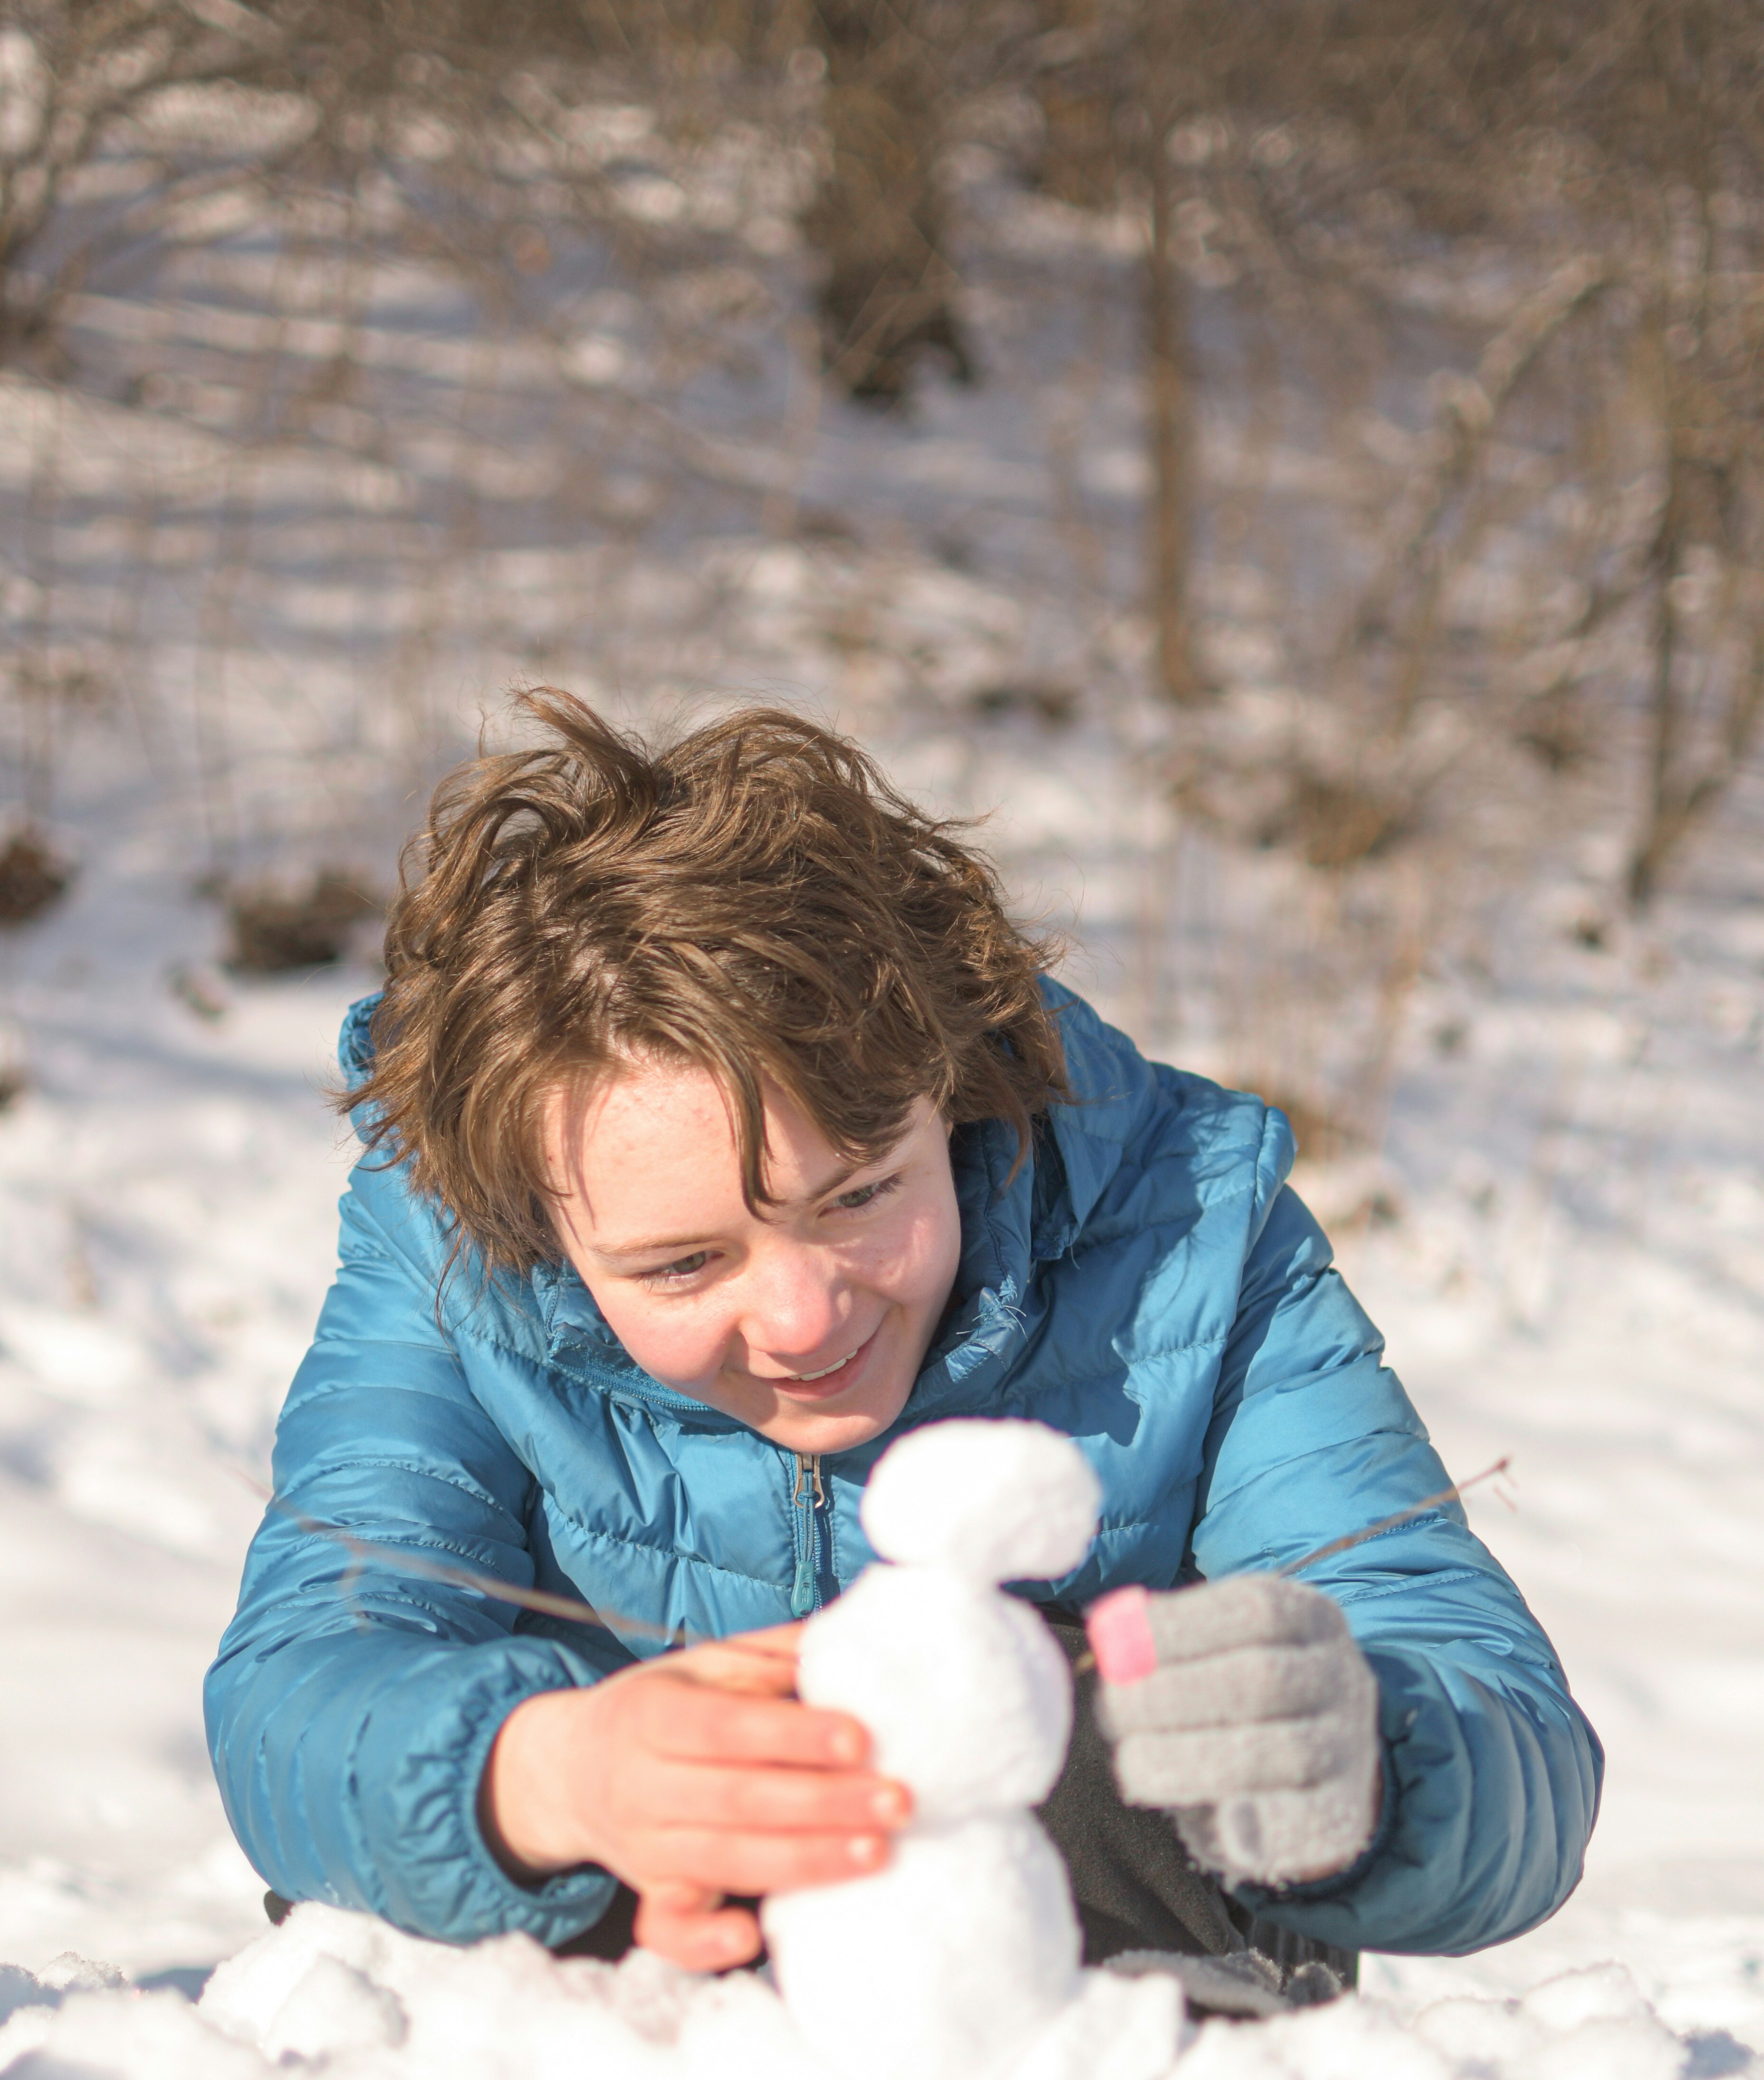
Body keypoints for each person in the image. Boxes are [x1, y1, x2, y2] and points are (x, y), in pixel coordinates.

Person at [206, 693, 1600, 1988]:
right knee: (421, 1828)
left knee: (1082, 1708)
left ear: (954, 1083)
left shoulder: (1189, 1225)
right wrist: (550, 1772)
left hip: (1107, 2039)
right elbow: (306, 1689)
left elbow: (1499, 1716)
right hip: (611, 2000)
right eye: (685, 1263)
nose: (805, 1318)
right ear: (537, 1223)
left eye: (861, 1194)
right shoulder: (454, 1257)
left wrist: (1362, 1757)